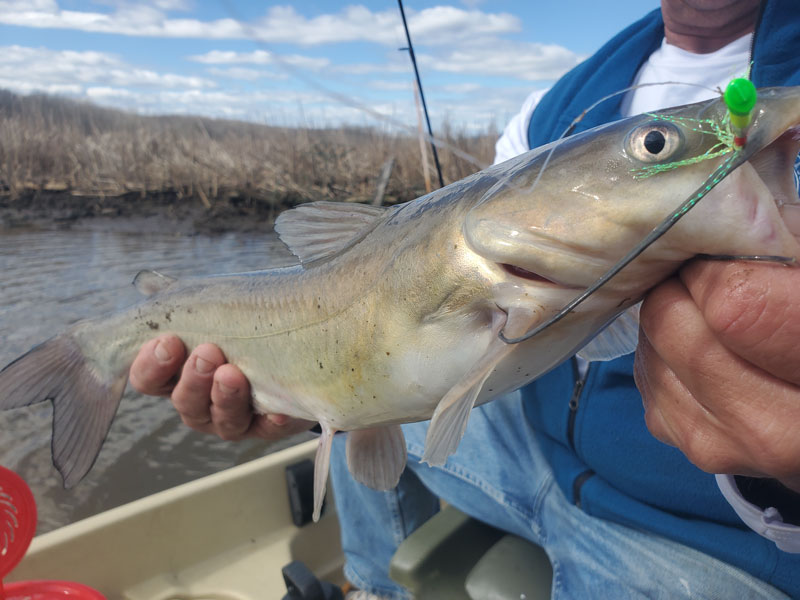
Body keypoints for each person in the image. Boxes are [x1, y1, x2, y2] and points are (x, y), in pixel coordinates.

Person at [130, 0, 800, 597]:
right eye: (654, 144)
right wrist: (301, 389)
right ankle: (373, 586)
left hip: (699, 541)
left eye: (655, 146)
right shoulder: (554, 106)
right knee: (375, 424)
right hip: (532, 449)